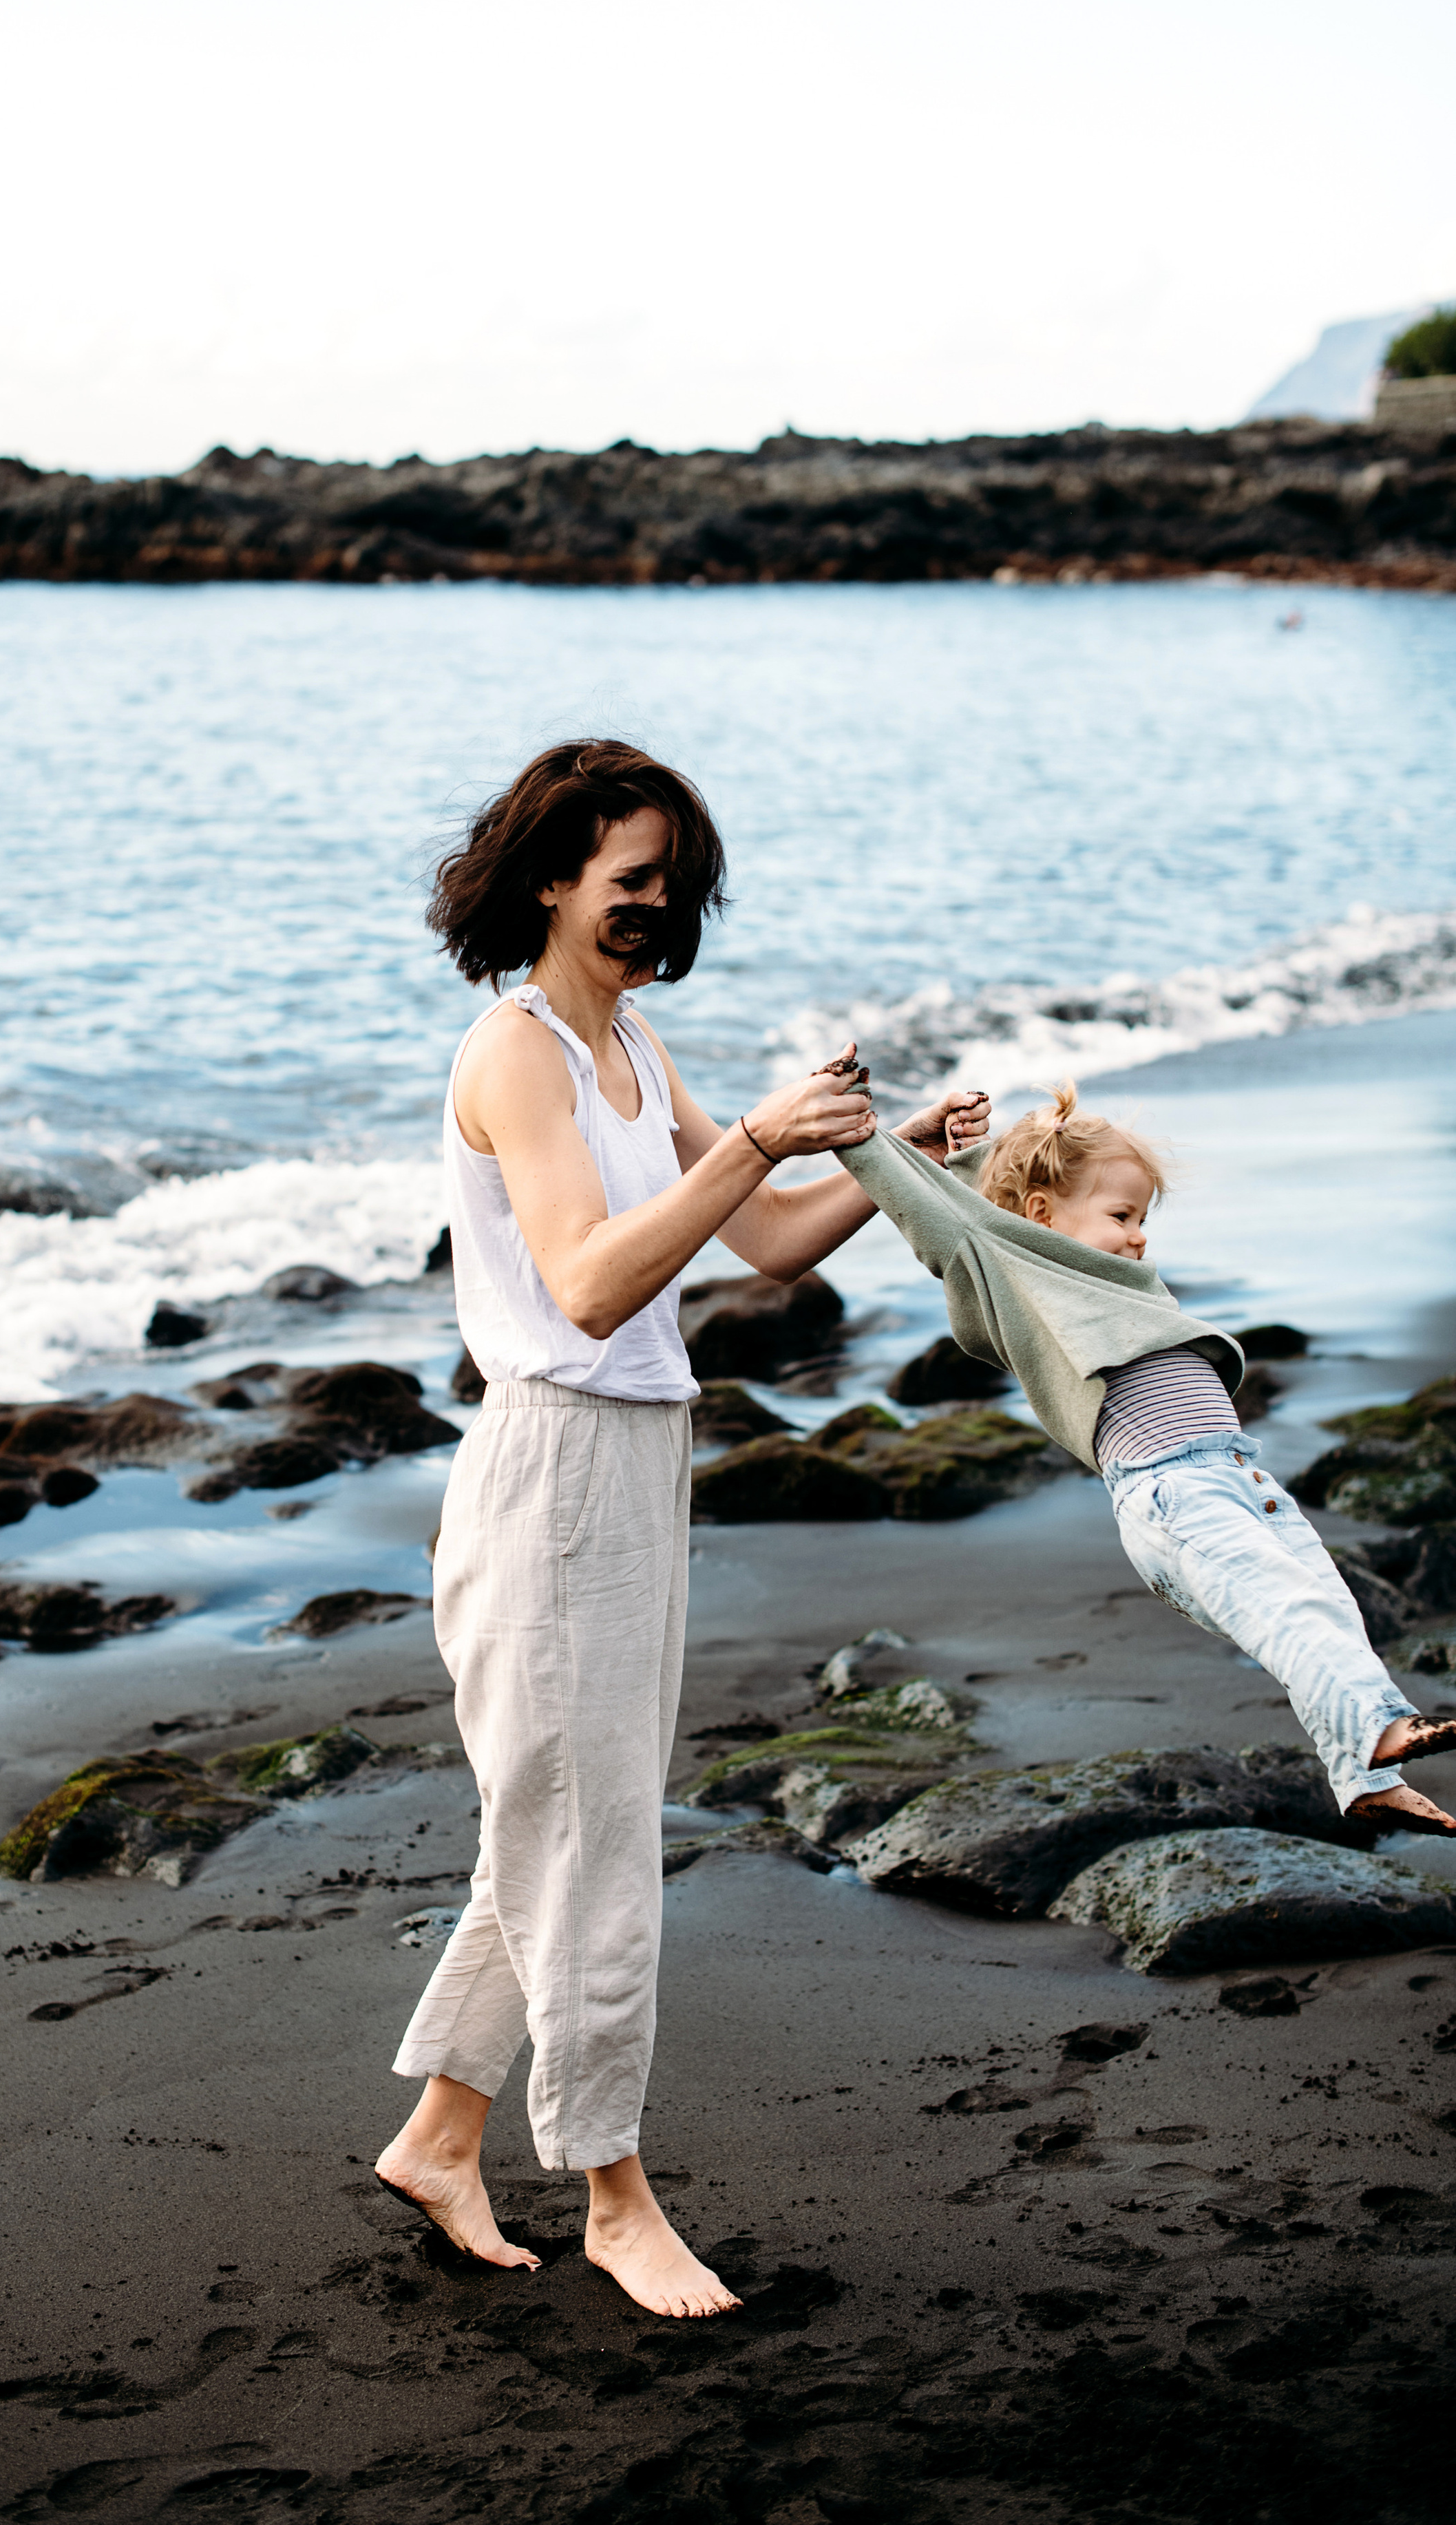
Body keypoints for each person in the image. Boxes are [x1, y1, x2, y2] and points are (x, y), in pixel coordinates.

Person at [374, 740, 989, 2317]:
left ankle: (441, 2136)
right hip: (548, 1475)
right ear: (547, 880)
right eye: (629, 877)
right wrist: (753, 1142)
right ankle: (611, 2190)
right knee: (593, 1853)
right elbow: (585, 1282)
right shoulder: (517, 1049)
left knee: (574, 1827)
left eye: (672, 880)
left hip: (638, 1462)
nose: (656, 904)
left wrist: (890, 1154)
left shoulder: (631, 1045)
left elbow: (770, 1242)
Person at [835, 1076, 1454, 1832]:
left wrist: (975, 1157)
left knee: (1325, 1613)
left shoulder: (1105, 1280)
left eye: (1142, 1217)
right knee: (1286, 1610)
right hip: (1173, 1494)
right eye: (1122, 1214)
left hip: (1238, 1478)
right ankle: (1380, 1728)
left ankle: (1364, 1778)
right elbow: (951, 1226)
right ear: (1041, 1217)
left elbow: (993, 1201)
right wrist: (856, 1133)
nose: (1139, 1234)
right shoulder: (1025, 1278)